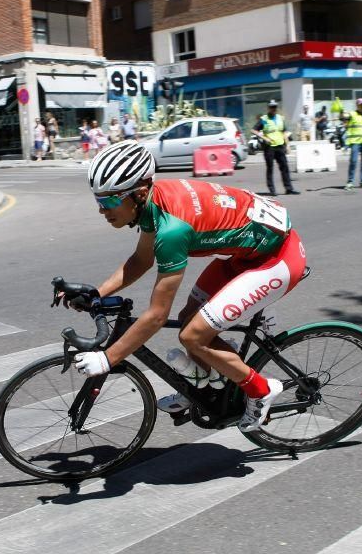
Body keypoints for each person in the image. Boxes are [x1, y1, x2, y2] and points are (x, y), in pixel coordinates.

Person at [73, 142, 307, 432]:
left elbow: (157, 316)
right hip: (246, 254)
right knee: (189, 321)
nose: (101, 209)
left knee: (193, 335)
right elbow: (141, 260)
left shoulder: (172, 230)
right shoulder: (151, 202)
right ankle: (209, 383)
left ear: (139, 192)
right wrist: (96, 294)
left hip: (277, 259)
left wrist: (109, 358)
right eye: (98, 200)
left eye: (109, 201)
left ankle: (261, 390)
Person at [254, 100, 299, 196]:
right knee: (270, 168)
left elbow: (284, 132)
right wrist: (264, 138)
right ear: (268, 108)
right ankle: (272, 190)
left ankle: (289, 189)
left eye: (275, 107)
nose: (274, 109)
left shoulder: (280, 118)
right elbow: (254, 130)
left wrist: (287, 145)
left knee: (285, 167)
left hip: (280, 146)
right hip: (269, 147)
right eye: (271, 107)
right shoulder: (264, 119)